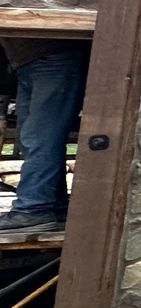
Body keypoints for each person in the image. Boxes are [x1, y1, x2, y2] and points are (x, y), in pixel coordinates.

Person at [0, 39, 87, 240]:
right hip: (26, 62)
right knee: (30, 138)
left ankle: (33, 209)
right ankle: (54, 205)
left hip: (55, 57)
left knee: (40, 136)